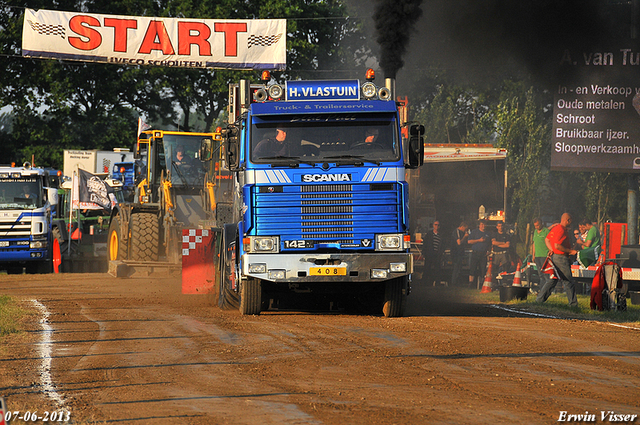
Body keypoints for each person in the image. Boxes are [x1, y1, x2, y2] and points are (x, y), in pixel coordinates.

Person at [536, 213, 579, 307]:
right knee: (568, 281)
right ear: (567, 220)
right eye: (570, 220)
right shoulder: (561, 230)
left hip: (554, 257)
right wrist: (570, 251)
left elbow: (547, 240)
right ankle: (573, 304)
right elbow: (558, 245)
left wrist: (551, 250)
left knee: (553, 280)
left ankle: (539, 300)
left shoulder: (555, 228)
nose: (571, 222)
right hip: (561, 258)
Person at [468, 219, 491, 289]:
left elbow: (490, 244)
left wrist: (489, 251)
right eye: (481, 224)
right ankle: (471, 284)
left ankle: (481, 284)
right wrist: (479, 240)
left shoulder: (487, 234)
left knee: (483, 270)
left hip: (483, 254)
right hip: (475, 253)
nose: (483, 226)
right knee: (472, 269)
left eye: (484, 224)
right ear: (479, 225)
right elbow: (469, 241)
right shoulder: (474, 232)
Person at [422, 220, 445, 286]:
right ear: (433, 225)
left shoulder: (441, 235)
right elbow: (425, 243)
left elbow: (443, 245)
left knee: (437, 269)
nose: (436, 226)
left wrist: (441, 252)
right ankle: (424, 282)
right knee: (427, 268)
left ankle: (437, 282)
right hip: (429, 254)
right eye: (435, 224)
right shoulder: (429, 234)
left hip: (437, 254)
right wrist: (424, 252)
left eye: (438, 225)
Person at [532, 218, 550, 288]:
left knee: (545, 274)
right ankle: (542, 288)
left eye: (538, 225)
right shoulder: (535, 232)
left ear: (541, 224)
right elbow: (534, 243)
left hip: (544, 255)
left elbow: (550, 241)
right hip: (537, 256)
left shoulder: (546, 231)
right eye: (535, 226)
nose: (536, 227)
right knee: (540, 274)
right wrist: (533, 255)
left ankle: (547, 288)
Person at [450, 221, 469, 286]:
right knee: (456, 268)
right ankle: (454, 282)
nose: (465, 230)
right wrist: (465, 237)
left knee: (459, 268)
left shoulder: (460, 232)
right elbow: (459, 243)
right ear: (462, 227)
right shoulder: (456, 232)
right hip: (456, 253)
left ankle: (457, 282)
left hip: (460, 253)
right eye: (465, 229)